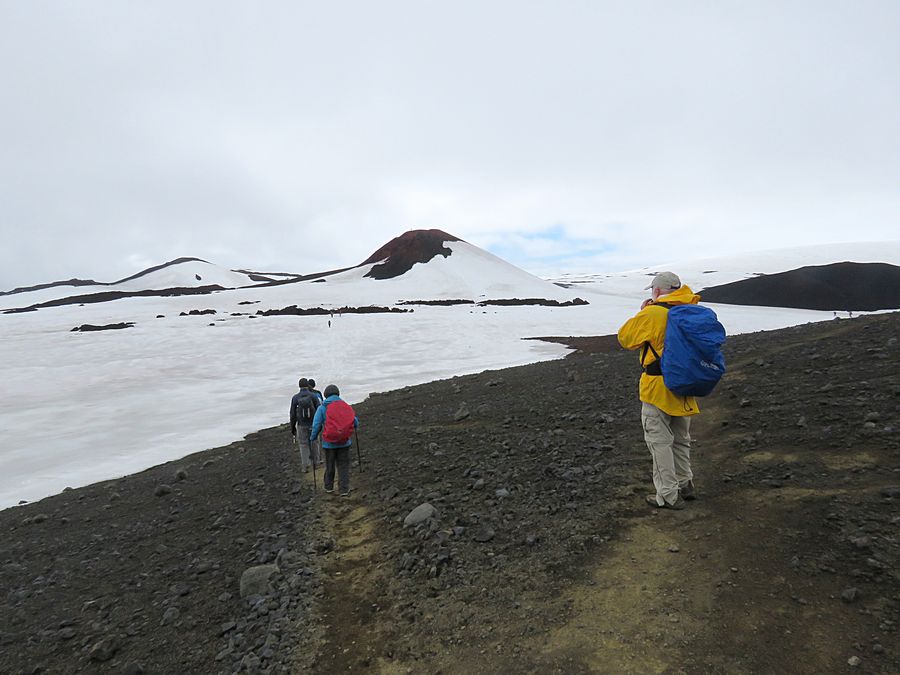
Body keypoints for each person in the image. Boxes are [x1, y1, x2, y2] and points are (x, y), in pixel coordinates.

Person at [617, 271, 701, 510]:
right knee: (681, 439)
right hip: (686, 384)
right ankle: (686, 484)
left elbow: (626, 338)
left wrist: (643, 312)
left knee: (659, 441)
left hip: (658, 387)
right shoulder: (691, 310)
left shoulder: (653, 313)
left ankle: (667, 495)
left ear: (656, 291)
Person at [310, 384, 359, 496]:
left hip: (328, 444)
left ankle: (329, 487)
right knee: (343, 466)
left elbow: (316, 425)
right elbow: (355, 421)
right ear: (338, 393)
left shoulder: (322, 408)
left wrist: (312, 438)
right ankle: (344, 489)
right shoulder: (345, 405)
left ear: (326, 395)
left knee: (330, 465)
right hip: (344, 442)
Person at [290, 378, 321, 472]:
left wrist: (293, 427)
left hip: (301, 424)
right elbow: (319, 409)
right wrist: (319, 423)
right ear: (307, 385)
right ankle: (316, 462)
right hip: (313, 423)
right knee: (314, 442)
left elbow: (292, 414)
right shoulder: (313, 396)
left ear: (299, 386)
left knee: (303, 444)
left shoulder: (295, 397)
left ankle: (306, 465)